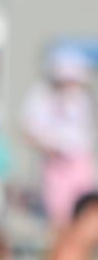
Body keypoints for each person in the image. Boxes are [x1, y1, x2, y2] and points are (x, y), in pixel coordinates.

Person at [22, 48, 95, 224]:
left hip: (80, 159)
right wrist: (50, 150)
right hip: (56, 163)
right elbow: (29, 131)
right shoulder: (40, 96)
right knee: (60, 215)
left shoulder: (84, 97)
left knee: (86, 209)